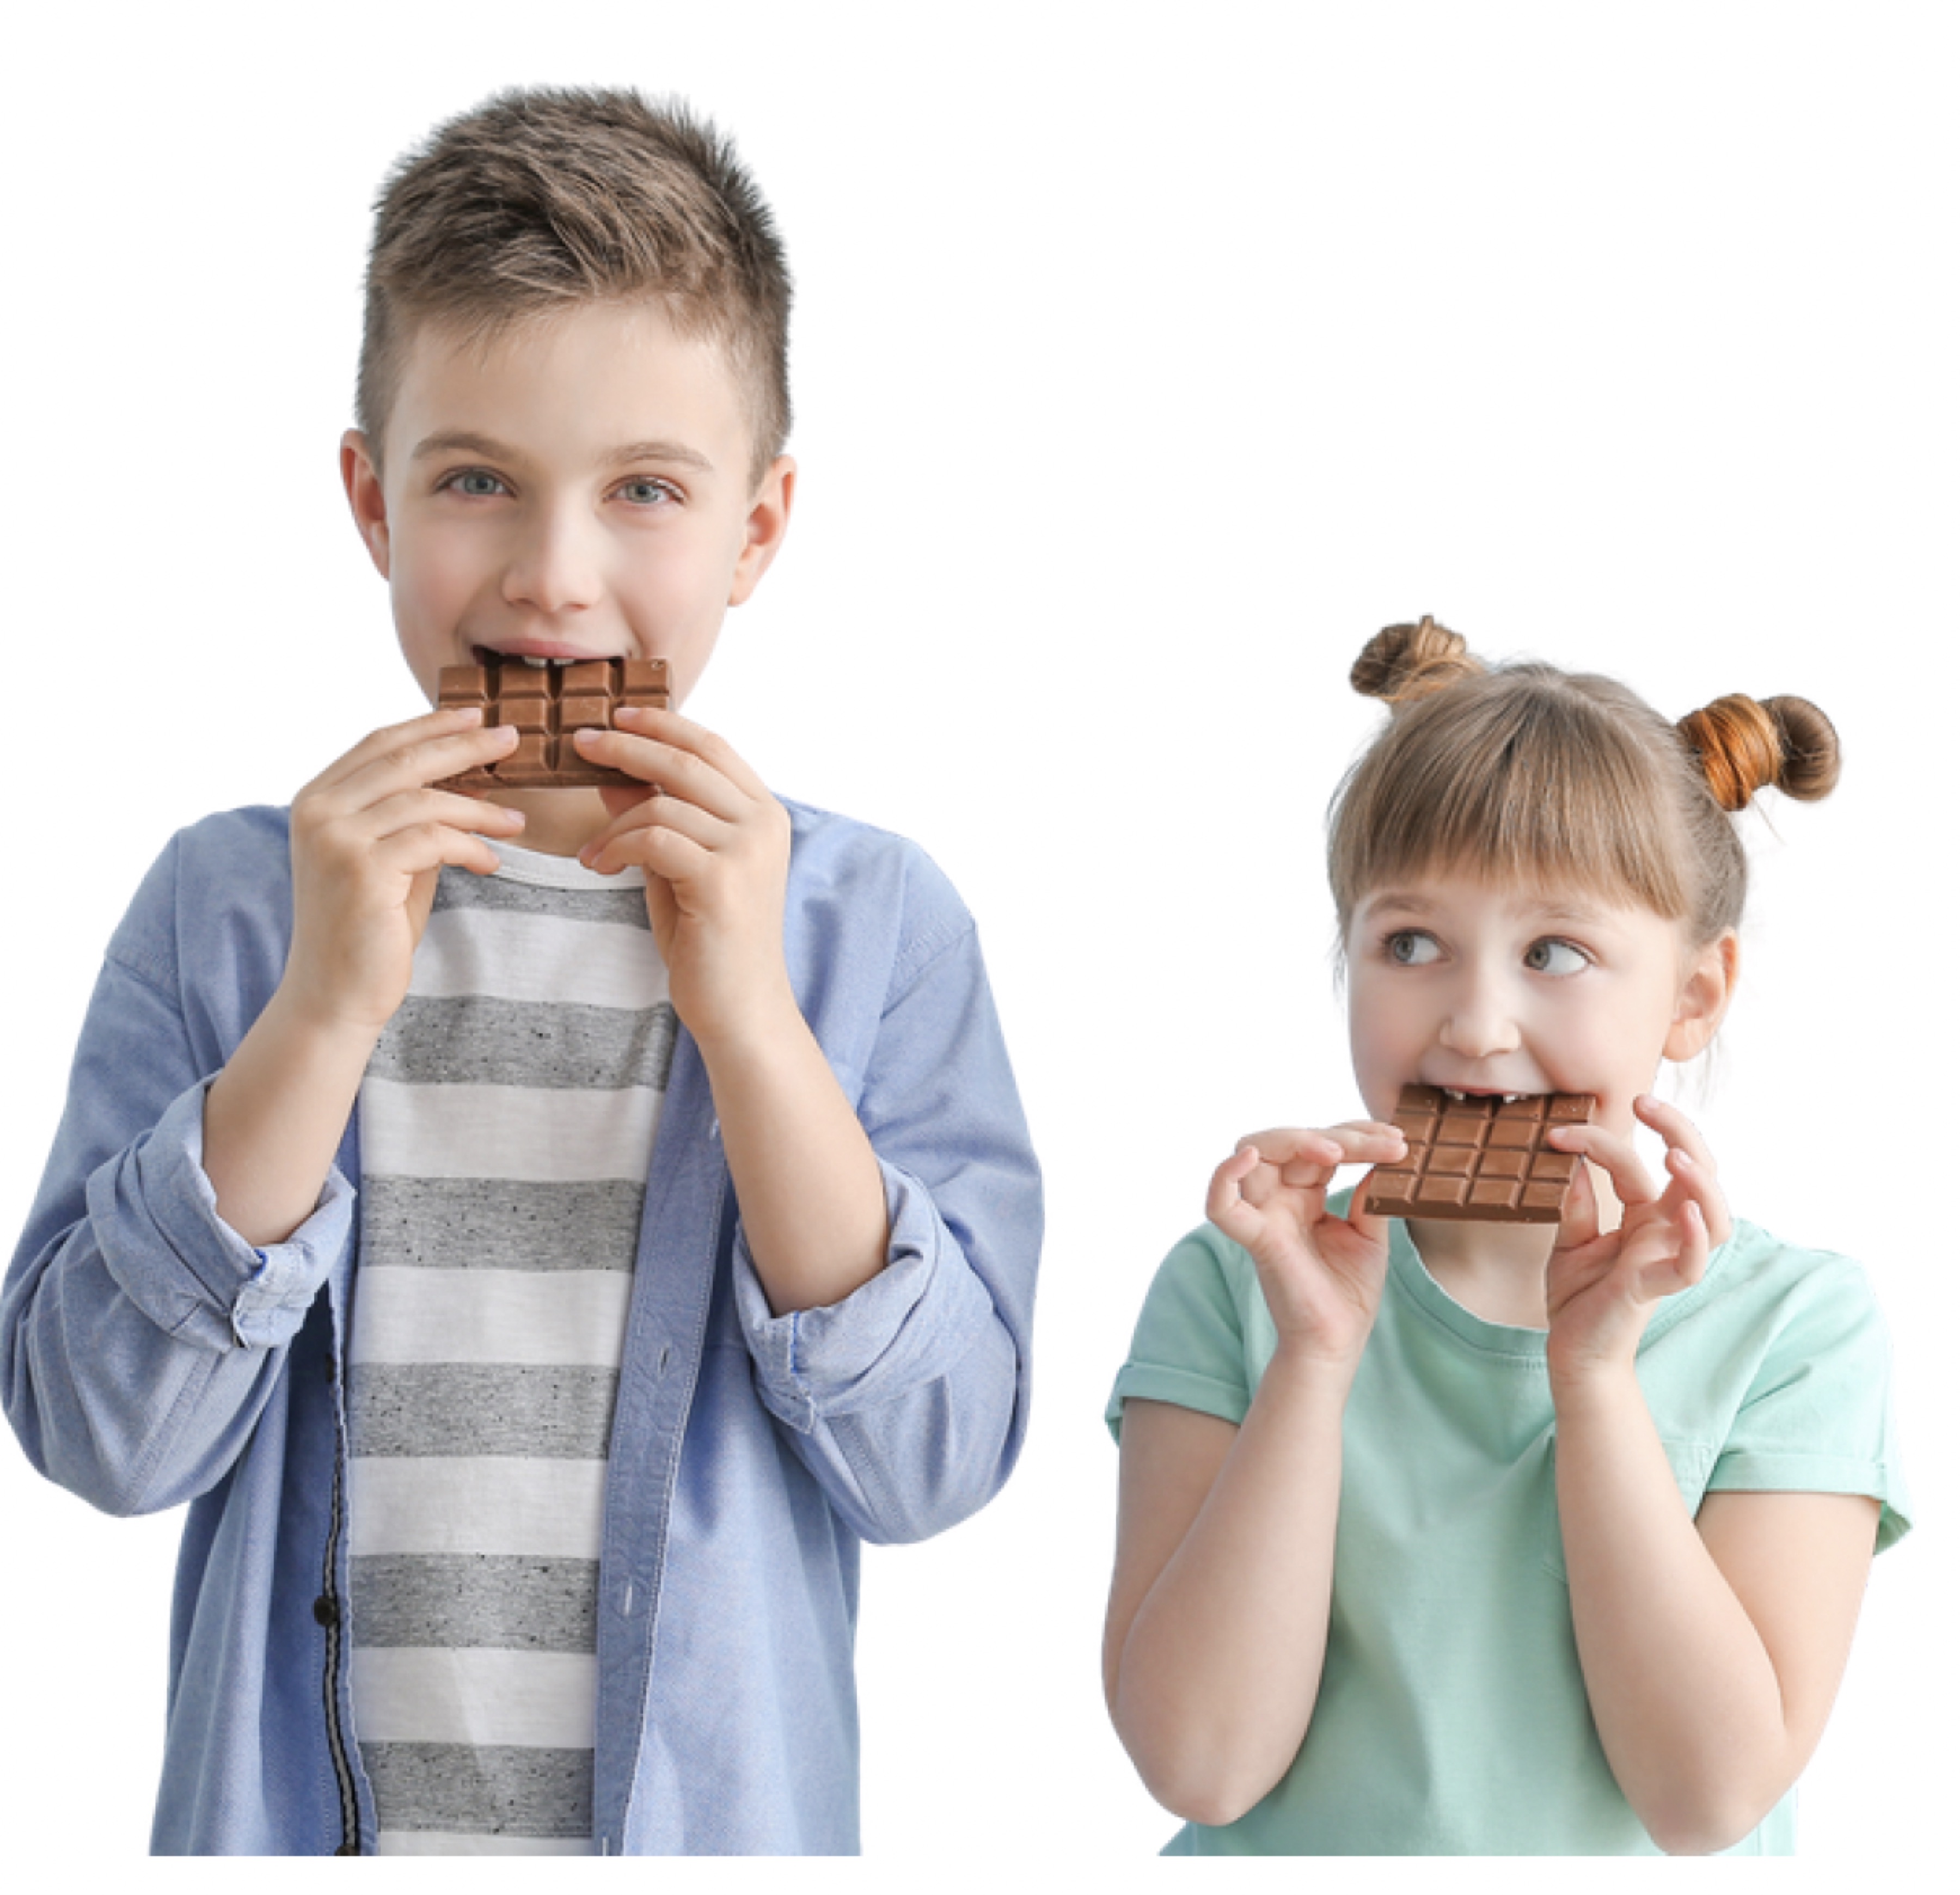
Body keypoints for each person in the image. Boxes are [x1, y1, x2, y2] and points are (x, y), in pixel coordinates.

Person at [2, 87, 1040, 1856]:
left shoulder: (874, 928)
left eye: (644, 490)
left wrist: (753, 1026)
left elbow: (932, 1464)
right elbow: (103, 1435)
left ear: (758, 529)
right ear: (372, 499)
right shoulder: (231, 907)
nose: (556, 580)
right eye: (478, 479)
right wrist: (325, 1009)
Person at [1101, 616, 1908, 1855]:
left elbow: (1705, 1798)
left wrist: (1593, 1378)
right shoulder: (1237, 1281)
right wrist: (1313, 1363)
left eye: (1556, 952)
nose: (1476, 1023)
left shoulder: (1797, 1326)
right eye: (1410, 942)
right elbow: (1202, 1764)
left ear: (1693, 995)